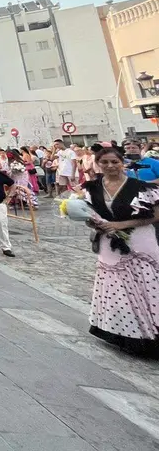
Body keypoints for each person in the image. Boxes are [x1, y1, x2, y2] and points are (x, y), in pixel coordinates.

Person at [84, 146, 159, 357]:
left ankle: (152, 333)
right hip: (108, 243)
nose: (110, 166)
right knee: (117, 287)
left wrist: (121, 224)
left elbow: (155, 215)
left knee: (145, 283)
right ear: (98, 164)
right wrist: (95, 224)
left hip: (139, 239)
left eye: (114, 162)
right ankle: (124, 332)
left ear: (122, 162)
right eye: (105, 162)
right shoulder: (92, 188)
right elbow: (90, 214)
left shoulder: (140, 186)